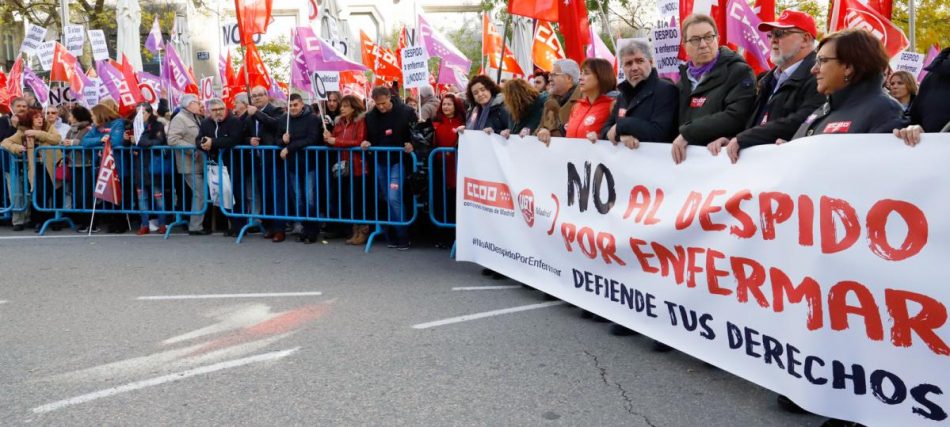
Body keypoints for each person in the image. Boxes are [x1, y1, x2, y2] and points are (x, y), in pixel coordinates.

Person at [707, 9, 825, 163]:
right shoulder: (767, 80)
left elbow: (802, 120)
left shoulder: (819, 76)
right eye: (771, 34)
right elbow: (757, 121)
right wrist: (732, 139)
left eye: (781, 34)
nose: (773, 40)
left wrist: (743, 138)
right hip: (758, 169)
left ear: (805, 39)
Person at [791, 29, 907, 139]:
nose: (813, 70)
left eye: (822, 61)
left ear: (848, 67)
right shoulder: (826, 108)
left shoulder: (884, 112)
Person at [672, 14, 756, 164]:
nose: (703, 44)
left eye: (708, 37)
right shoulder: (681, 81)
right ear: (684, 45)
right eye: (695, 39)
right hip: (687, 165)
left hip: (723, 163)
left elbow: (736, 116)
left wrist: (687, 134)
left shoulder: (739, 72)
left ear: (717, 38)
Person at [363, 85, 417, 250]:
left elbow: (417, 133)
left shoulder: (406, 111)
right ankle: (393, 231)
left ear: (389, 98)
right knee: (387, 198)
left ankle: (402, 234)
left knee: (394, 197)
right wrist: (367, 142)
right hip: (380, 161)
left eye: (384, 103)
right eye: (378, 104)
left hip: (398, 161)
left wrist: (412, 144)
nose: (381, 107)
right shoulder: (371, 116)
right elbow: (369, 136)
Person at [601, 40, 679, 149]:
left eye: (640, 61)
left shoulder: (666, 90)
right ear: (622, 68)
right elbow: (605, 130)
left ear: (650, 62)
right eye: (628, 63)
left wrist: (621, 125)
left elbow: (659, 133)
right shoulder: (622, 96)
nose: (634, 68)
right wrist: (621, 137)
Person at [1, 108, 62, 230]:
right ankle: (39, 221)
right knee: (38, 193)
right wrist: (17, 148)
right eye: (36, 117)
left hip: (52, 165)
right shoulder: (23, 131)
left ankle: (56, 221)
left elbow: (56, 138)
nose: (40, 119)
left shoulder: (48, 127)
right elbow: (5, 143)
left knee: (55, 192)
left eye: (40, 117)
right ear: (30, 120)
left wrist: (38, 134)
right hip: (35, 167)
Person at [277, 93, 324, 243]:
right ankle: (304, 227)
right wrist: (282, 141)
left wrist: (290, 148)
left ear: (302, 104)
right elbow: (277, 140)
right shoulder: (284, 120)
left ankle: (312, 230)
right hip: (292, 166)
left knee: (310, 198)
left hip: (309, 164)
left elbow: (312, 139)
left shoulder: (312, 119)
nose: (293, 108)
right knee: (298, 199)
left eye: (295, 105)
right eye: (290, 105)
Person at [197, 98, 247, 236]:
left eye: (220, 109)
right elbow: (198, 138)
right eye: (214, 110)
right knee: (222, 194)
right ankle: (231, 224)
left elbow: (233, 140)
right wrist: (203, 143)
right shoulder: (206, 122)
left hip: (232, 162)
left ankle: (239, 226)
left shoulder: (234, 121)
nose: (218, 112)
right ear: (209, 111)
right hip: (214, 165)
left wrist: (213, 142)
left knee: (236, 194)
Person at [325, 95, 370, 245]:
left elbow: (358, 140)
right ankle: (354, 230)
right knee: (347, 199)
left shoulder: (361, 121)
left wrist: (337, 141)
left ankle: (362, 229)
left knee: (357, 199)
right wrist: (328, 136)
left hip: (357, 165)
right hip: (343, 166)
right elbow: (334, 139)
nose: (342, 108)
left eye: (345, 106)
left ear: (353, 107)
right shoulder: (339, 122)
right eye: (342, 106)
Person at [247, 85, 287, 240]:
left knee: (277, 195)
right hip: (258, 160)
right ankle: (269, 225)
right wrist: (248, 140)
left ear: (267, 96)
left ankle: (279, 228)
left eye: (259, 95)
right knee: (265, 195)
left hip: (273, 160)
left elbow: (276, 124)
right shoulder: (250, 114)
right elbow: (243, 133)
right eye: (254, 95)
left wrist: (256, 113)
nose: (256, 98)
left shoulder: (275, 110)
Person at [166, 94, 209, 235]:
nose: (200, 104)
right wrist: (192, 149)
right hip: (189, 164)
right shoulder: (180, 119)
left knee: (200, 193)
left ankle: (197, 224)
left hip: (198, 163)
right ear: (189, 105)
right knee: (200, 193)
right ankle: (195, 226)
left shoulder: (195, 117)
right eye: (197, 102)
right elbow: (172, 140)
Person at [126, 103, 169, 235]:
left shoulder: (157, 125)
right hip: (139, 166)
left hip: (153, 166)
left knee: (158, 197)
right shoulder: (132, 126)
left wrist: (139, 141)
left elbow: (158, 142)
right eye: (137, 113)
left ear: (150, 113)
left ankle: (162, 224)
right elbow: (126, 145)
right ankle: (144, 224)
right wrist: (126, 140)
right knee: (141, 198)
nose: (139, 116)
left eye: (142, 112)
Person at [431, 93, 466, 248]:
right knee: (442, 201)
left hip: (459, 167)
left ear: (455, 106)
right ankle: (442, 236)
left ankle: (458, 235)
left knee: (457, 202)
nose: (446, 107)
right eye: (444, 104)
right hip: (441, 168)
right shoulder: (435, 123)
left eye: (449, 104)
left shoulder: (464, 122)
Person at [561, 58, 615, 142]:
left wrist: (600, 138)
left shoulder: (612, 105)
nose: (580, 78)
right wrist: (546, 131)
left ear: (601, 76)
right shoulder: (576, 106)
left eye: (586, 73)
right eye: (581, 73)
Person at [536, 59, 582, 138]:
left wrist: (549, 132)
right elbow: (540, 129)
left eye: (554, 75)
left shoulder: (582, 101)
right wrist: (542, 131)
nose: (549, 78)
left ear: (569, 78)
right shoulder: (550, 102)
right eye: (550, 75)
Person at [908, 47, 950, 133]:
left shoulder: (932, 74)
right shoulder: (932, 76)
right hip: (931, 144)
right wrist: (913, 129)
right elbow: (915, 118)